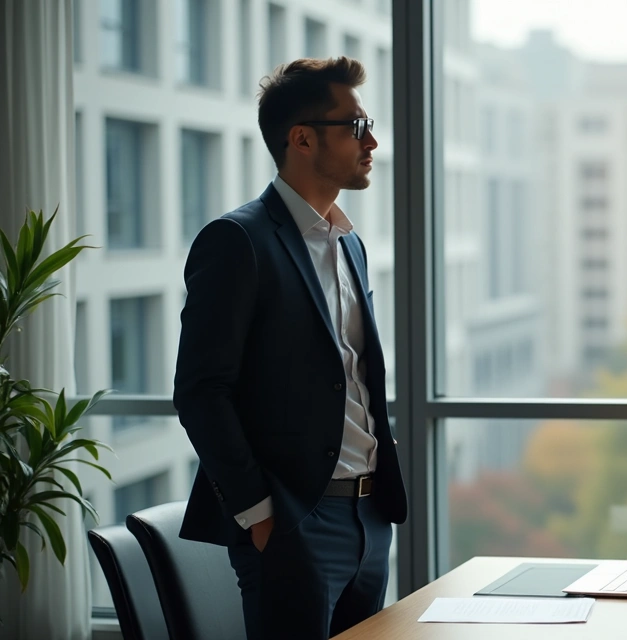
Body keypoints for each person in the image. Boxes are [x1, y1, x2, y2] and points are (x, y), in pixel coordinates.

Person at [173, 56, 407, 640]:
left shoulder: (350, 245)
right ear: (301, 138)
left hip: (369, 515)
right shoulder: (237, 240)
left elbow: (350, 378)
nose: (372, 140)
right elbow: (201, 390)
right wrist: (259, 513)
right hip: (294, 520)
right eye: (355, 126)